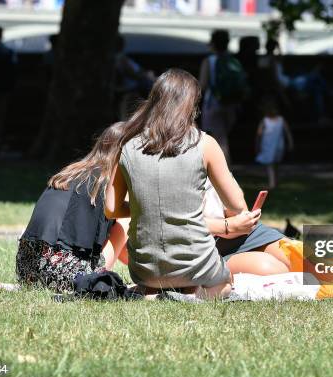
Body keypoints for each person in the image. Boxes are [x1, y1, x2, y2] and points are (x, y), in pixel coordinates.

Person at [106, 69, 252, 299]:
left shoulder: (127, 146)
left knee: (163, 282)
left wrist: (144, 207)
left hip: (145, 270)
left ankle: (157, 294)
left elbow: (111, 208)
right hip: (197, 265)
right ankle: (189, 296)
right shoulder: (205, 144)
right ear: (192, 105)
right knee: (225, 284)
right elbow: (237, 206)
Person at [16, 123, 127, 293]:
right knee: (125, 220)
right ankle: (105, 274)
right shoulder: (106, 183)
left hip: (27, 271)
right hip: (67, 276)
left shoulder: (72, 172)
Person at [203, 178, 291, 275]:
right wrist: (229, 226)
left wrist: (242, 216)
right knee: (274, 270)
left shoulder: (214, 165)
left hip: (242, 233)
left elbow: (238, 210)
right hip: (203, 245)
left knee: (306, 258)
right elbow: (186, 225)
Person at [199, 29, 247, 162]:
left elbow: (202, 85)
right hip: (231, 104)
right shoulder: (233, 61)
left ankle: (226, 174)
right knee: (222, 138)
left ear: (213, 43)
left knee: (220, 142)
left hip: (213, 104)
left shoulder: (209, 61)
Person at [255, 99, 293, 189]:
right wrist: (290, 142)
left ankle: (272, 183)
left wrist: (257, 144)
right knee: (273, 164)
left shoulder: (266, 120)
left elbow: (259, 134)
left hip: (270, 146)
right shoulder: (278, 120)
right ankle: (274, 182)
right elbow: (288, 133)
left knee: (271, 165)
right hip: (276, 146)